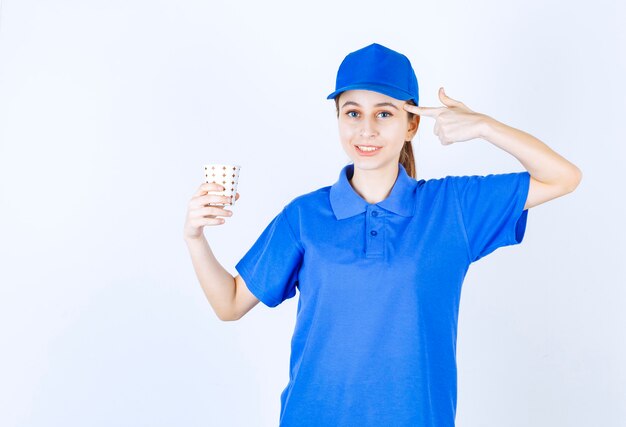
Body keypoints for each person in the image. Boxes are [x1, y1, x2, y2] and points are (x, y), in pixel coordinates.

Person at [183, 43, 582, 427]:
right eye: (353, 113)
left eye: (385, 114)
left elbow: (563, 177)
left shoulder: (452, 208)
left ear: (412, 124)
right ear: (338, 119)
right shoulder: (304, 217)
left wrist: (483, 126)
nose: (367, 129)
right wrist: (196, 239)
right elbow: (230, 303)